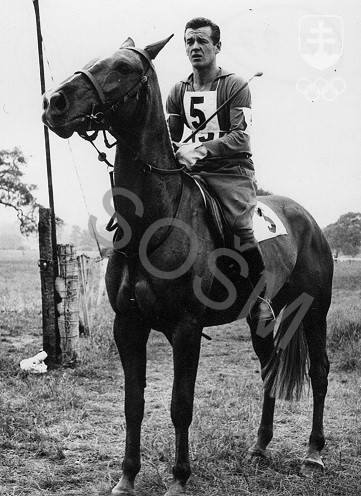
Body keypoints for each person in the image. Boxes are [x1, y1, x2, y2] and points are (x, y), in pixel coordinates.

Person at [166, 17, 274, 325]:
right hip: (192, 172)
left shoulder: (235, 85)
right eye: (189, 42)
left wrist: (198, 150)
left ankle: (261, 299)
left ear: (217, 46)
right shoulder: (177, 90)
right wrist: (174, 149)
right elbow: (173, 135)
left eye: (202, 41)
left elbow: (241, 135)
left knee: (239, 226)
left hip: (231, 172)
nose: (195, 47)